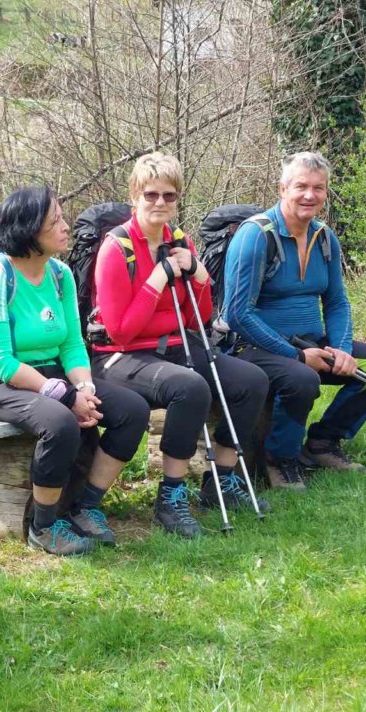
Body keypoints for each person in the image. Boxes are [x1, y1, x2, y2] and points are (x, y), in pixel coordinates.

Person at [0, 186, 150, 556]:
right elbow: (0, 360)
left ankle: (85, 507)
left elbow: (72, 344)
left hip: (48, 374)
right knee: (61, 421)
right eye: (56, 221)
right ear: (30, 230)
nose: (66, 227)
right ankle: (44, 527)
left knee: (132, 410)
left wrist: (85, 386)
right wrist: (64, 395)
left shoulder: (60, 275)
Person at [89, 153, 271, 537]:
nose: (160, 203)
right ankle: (170, 497)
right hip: (120, 358)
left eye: (169, 196)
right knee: (189, 388)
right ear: (134, 195)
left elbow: (196, 319)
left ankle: (219, 480)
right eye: (151, 194)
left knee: (250, 380)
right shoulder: (115, 250)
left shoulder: (179, 241)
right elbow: (121, 332)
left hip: (174, 345)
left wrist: (198, 273)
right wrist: (158, 279)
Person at [221, 151, 366, 490]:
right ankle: (280, 460)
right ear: (283, 188)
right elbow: (237, 313)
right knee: (302, 379)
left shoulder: (324, 238)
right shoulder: (256, 236)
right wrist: (297, 356)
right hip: (252, 347)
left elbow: (337, 301)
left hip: (310, 343)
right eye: (301, 186)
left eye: (318, 188)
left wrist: (342, 349)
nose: (309, 195)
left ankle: (323, 443)